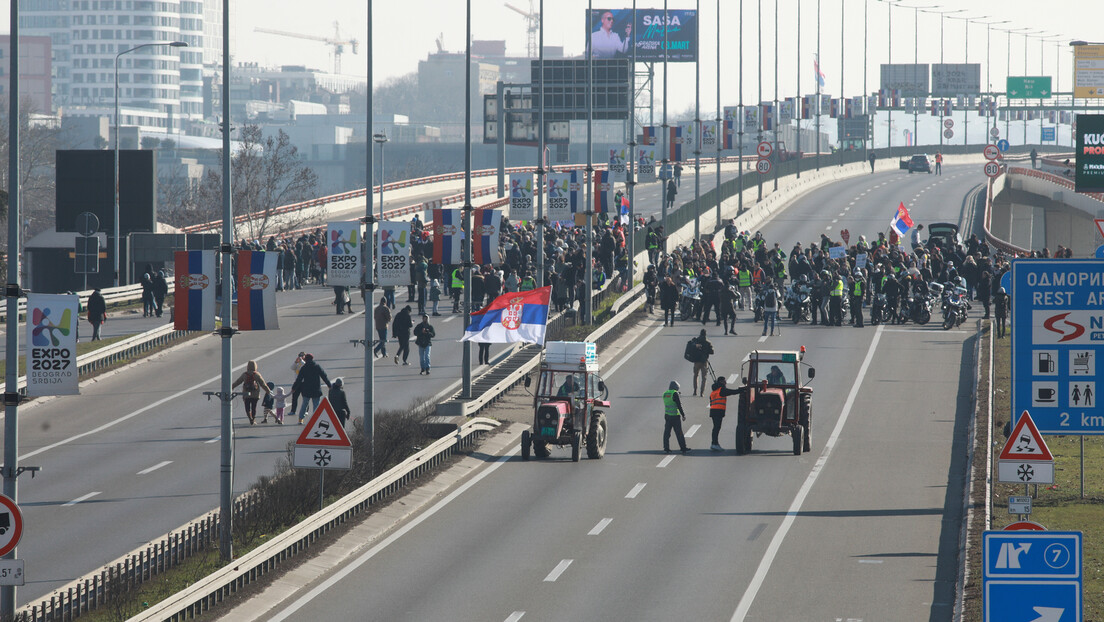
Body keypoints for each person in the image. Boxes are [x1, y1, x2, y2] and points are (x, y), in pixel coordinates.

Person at [291, 353, 332, 424]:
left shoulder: (304, 368)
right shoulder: (317, 366)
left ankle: (301, 419)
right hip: (316, 389)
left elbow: (299, 379)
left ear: (305, 360)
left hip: (306, 389)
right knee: (316, 404)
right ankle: (315, 419)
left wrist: (294, 388)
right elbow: (324, 376)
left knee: (304, 404)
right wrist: (329, 385)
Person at [708, 377, 745, 452]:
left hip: (713, 411)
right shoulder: (721, 390)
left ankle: (714, 443)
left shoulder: (714, 391)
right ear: (721, 382)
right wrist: (741, 390)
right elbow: (731, 392)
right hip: (718, 411)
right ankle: (714, 444)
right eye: (724, 381)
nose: (726, 383)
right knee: (717, 428)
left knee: (716, 428)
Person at [231, 360, 272, 426]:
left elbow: (238, 381)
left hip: (246, 394)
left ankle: (250, 418)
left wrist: (231, 387)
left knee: (247, 407)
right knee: (254, 407)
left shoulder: (244, 374)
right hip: (255, 394)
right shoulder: (257, 374)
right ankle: (253, 419)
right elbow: (263, 384)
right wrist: (268, 391)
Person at [662, 380, 690, 454]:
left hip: (667, 415)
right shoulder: (675, 393)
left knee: (667, 432)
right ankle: (683, 447)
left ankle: (666, 448)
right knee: (679, 432)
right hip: (675, 416)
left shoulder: (665, 394)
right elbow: (679, 405)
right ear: (676, 387)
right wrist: (683, 414)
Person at [688, 329, 714, 397]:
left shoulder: (696, 341)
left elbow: (691, 348)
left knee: (695, 376)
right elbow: (712, 352)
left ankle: (695, 391)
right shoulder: (708, 342)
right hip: (704, 361)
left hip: (696, 361)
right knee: (704, 377)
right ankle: (702, 392)